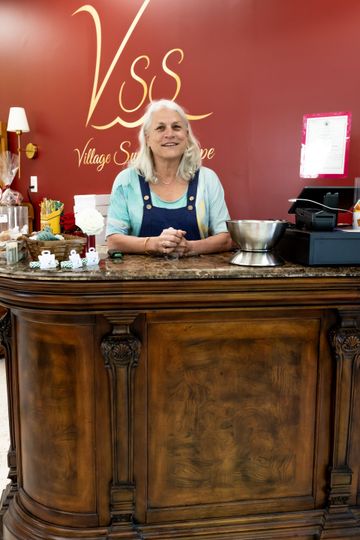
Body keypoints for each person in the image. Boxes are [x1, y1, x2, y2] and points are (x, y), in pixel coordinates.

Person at [106, 99, 232, 257]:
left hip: (198, 279)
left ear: (186, 135)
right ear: (147, 138)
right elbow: (113, 240)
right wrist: (152, 244)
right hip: (139, 280)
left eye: (176, 127)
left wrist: (190, 247)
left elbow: (226, 238)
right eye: (160, 128)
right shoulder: (127, 180)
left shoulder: (208, 179)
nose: (170, 134)